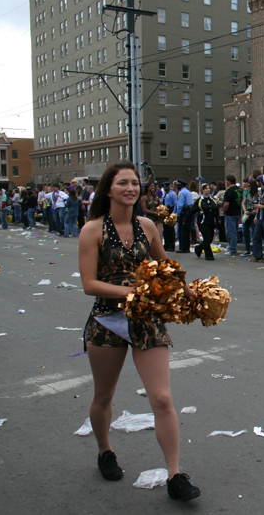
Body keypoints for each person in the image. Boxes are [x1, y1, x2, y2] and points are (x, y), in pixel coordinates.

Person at [78, 160, 200, 501]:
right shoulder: (92, 230)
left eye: (134, 183)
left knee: (162, 398)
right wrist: (132, 292)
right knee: (104, 395)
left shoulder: (148, 226)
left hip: (146, 320)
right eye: (123, 183)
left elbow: (167, 268)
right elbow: (90, 284)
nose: (131, 188)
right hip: (107, 321)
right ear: (109, 189)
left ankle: (175, 475)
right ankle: (105, 450)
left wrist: (192, 295)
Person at [192, 184, 219, 260]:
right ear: (202, 190)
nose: (208, 190)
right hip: (203, 222)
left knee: (210, 239)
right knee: (207, 237)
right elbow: (192, 210)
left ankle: (199, 248)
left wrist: (218, 219)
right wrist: (186, 219)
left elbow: (216, 210)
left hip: (211, 222)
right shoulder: (199, 200)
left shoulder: (212, 200)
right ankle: (209, 255)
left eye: (209, 188)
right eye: (206, 188)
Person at [223, 175, 242, 255]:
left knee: (230, 232)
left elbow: (226, 204)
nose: (225, 182)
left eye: (226, 180)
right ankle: (233, 247)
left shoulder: (229, 191)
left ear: (229, 181)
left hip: (230, 213)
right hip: (238, 212)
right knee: (235, 231)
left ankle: (232, 249)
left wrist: (224, 211)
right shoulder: (239, 190)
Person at [175, 180, 193, 253]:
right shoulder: (188, 192)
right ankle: (187, 247)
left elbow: (180, 205)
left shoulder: (181, 193)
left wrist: (177, 215)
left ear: (180, 185)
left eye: (178, 185)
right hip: (189, 212)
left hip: (184, 212)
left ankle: (183, 247)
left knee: (182, 231)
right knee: (187, 230)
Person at [241, 180, 256, 256]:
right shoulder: (247, 193)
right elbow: (243, 203)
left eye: (249, 186)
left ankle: (254, 249)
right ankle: (247, 248)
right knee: (245, 231)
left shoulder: (257, 194)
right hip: (247, 213)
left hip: (253, 214)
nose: (247, 187)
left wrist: (254, 211)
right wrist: (244, 210)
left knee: (254, 231)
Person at [162, 183, 177, 251]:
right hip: (165, 211)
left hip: (170, 210)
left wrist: (173, 213)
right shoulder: (164, 194)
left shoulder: (172, 194)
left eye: (167, 186)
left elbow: (176, 204)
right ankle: (166, 244)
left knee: (170, 229)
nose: (165, 188)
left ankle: (171, 245)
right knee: (166, 229)